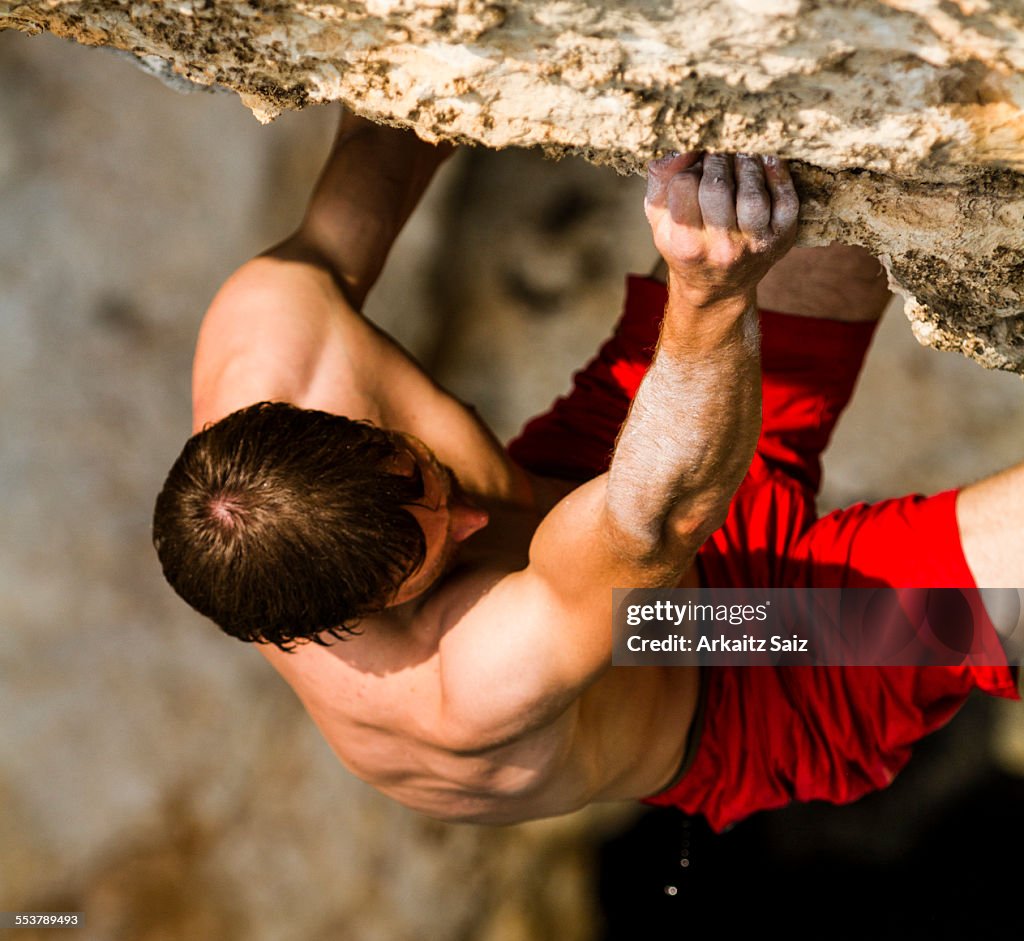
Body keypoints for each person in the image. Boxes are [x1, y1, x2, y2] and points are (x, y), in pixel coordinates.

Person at [153, 111, 1020, 831]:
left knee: (846, 151)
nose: (472, 521)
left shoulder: (274, 330)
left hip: (601, 464)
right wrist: (707, 292)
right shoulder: (467, 684)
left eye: (434, 481)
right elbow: (657, 522)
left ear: (336, 423)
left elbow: (388, 129)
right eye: (436, 558)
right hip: (730, 656)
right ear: (359, 614)